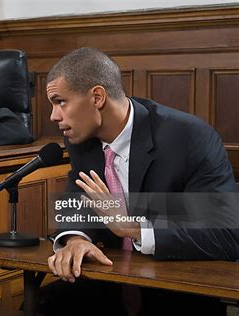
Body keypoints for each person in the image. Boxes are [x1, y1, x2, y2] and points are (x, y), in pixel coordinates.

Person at [40, 47, 238, 315]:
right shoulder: (81, 139)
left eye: (60, 101)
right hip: (112, 283)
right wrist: (76, 239)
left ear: (97, 97)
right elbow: (78, 202)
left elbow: (226, 234)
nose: (53, 116)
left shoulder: (190, 137)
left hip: (176, 291)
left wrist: (132, 227)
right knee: (40, 303)